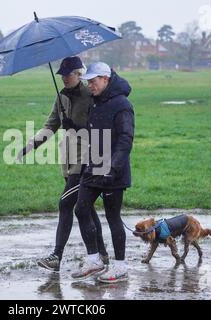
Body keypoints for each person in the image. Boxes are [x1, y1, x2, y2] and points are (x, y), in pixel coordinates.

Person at [17, 56, 109, 272]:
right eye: (62, 75)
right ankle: (102, 253)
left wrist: (75, 126)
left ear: (79, 73)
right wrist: (31, 146)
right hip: (68, 164)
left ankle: (56, 256)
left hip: (86, 163)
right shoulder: (61, 98)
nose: (64, 78)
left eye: (69, 74)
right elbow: (50, 124)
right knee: (86, 210)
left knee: (65, 204)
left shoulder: (91, 96)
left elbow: (99, 129)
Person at [71, 62, 134, 283]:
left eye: (94, 81)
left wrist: (113, 167)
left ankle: (120, 266)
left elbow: (126, 139)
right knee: (81, 209)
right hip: (94, 166)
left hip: (114, 172)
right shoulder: (94, 103)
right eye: (88, 81)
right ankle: (94, 260)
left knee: (112, 217)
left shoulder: (122, 104)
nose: (90, 85)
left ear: (106, 79)